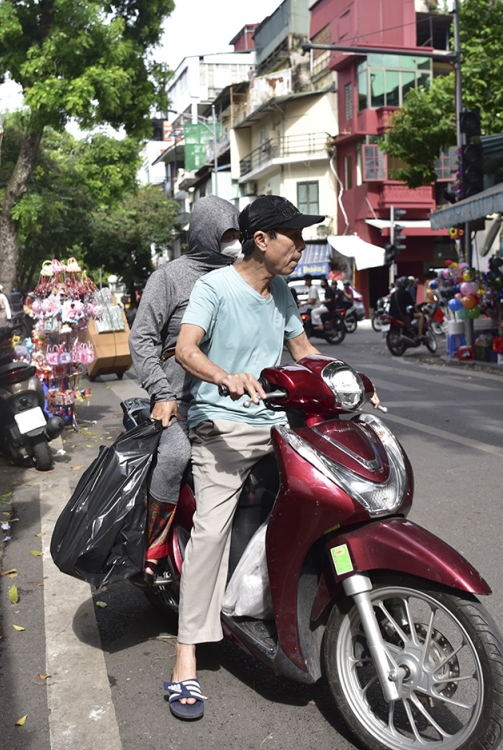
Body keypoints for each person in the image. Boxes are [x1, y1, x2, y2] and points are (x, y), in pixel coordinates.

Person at [167, 195, 379, 720]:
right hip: (221, 427)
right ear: (260, 240)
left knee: (333, 495)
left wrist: (352, 380)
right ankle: (186, 653)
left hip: (277, 424)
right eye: (294, 236)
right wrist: (224, 377)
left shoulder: (280, 290)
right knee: (212, 531)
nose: (301, 248)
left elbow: (304, 353)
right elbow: (186, 349)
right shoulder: (214, 288)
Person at [128, 196, 242, 587]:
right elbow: (141, 339)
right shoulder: (169, 278)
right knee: (176, 454)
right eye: (227, 235)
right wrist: (162, 392)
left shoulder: (240, 276)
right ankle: (154, 549)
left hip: (226, 399)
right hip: (176, 402)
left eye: (236, 234)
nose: (233, 242)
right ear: (205, 234)